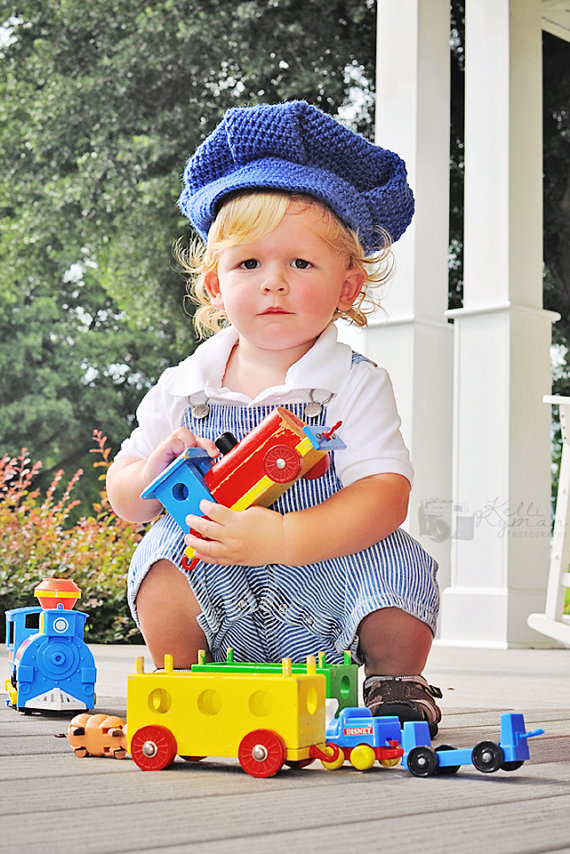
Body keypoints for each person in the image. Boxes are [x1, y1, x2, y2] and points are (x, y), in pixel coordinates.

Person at [106, 100, 442, 733]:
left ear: (348, 286)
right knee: (158, 556)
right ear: (214, 282)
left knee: (395, 560)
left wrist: (284, 540)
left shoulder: (352, 384)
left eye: (302, 263)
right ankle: (179, 675)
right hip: (222, 578)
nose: (274, 283)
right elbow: (125, 494)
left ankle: (394, 676)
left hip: (328, 580)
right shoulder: (186, 386)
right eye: (250, 263)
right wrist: (147, 473)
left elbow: (386, 494)